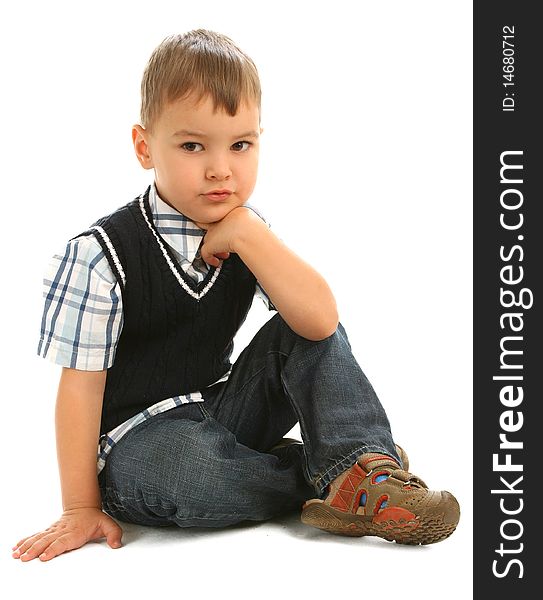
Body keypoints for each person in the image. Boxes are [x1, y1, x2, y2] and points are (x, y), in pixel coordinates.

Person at [12, 29, 460, 563]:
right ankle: (332, 474)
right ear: (143, 146)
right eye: (192, 145)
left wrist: (248, 235)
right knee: (190, 470)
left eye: (240, 144)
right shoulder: (100, 255)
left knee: (303, 328)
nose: (221, 168)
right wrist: (79, 505)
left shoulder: (250, 233)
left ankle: (360, 468)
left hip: (221, 411)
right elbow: (79, 391)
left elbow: (319, 324)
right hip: (138, 446)